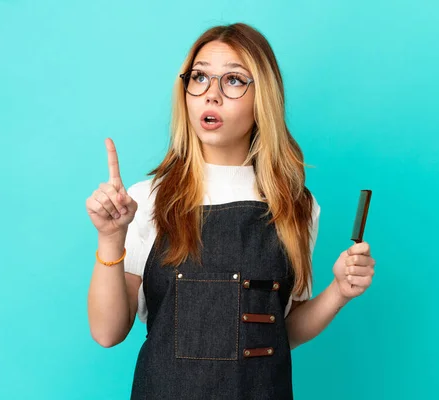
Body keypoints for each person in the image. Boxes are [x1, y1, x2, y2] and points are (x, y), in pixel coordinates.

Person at [86, 22, 376, 400]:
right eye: (200, 77)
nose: (211, 95)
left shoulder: (298, 208)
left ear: (264, 98)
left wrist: (338, 291)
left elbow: (279, 333)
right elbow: (108, 333)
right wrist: (111, 237)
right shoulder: (149, 199)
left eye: (234, 81)